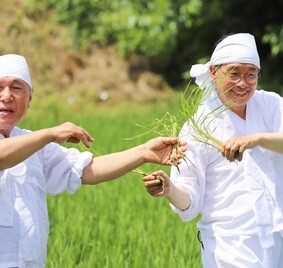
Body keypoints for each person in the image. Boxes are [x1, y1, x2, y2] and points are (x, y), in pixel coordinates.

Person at [143, 33, 283, 267]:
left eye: (251, 74)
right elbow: (189, 198)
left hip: (281, 231)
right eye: (234, 73)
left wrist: (256, 139)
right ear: (214, 73)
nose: (243, 83)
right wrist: (170, 189)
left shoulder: (271, 104)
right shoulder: (198, 126)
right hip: (232, 242)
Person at [0, 53, 186, 267]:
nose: (6, 96)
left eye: (16, 88)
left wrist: (144, 152)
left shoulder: (33, 146)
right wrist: (50, 133)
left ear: (29, 100)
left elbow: (87, 170)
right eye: (0, 88)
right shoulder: (38, 140)